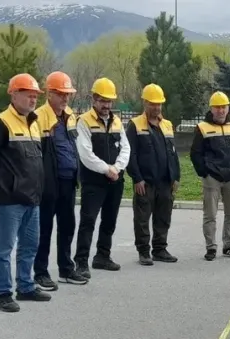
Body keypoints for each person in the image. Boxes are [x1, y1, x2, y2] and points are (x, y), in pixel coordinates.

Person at [0, 73, 51, 313]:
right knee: (4, 249)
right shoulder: (0, 124)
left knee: (30, 245)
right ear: (14, 94)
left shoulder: (33, 122)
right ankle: (3, 293)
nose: (33, 100)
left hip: (32, 198)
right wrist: (9, 182)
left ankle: (26, 286)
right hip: (10, 199)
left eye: (35, 96)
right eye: (28, 95)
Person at [32, 71, 87, 291]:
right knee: (44, 228)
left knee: (67, 226)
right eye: (61, 94)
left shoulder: (70, 115)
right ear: (50, 93)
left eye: (68, 94)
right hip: (48, 183)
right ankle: (41, 272)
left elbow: (73, 147)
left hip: (68, 180)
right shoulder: (39, 117)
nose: (65, 98)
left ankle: (66, 269)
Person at [73, 78, 130, 277]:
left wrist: (118, 168)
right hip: (93, 181)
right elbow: (85, 154)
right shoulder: (84, 121)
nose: (106, 105)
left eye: (109, 101)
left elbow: (126, 148)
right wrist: (107, 169)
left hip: (115, 180)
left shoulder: (116, 122)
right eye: (102, 100)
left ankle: (102, 257)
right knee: (88, 221)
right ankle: (81, 262)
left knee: (109, 220)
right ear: (94, 99)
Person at [125, 83, 180, 266]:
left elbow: (173, 152)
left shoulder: (167, 125)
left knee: (163, 216)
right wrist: (137, 178)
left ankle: (160, 249)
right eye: (152, 104)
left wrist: (176, 177)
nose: (156, 107)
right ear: (144, 103)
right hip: (145, 182)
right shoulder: (135, 125)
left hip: (165, 181)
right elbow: (130, 154)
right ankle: (144, 251)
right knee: (142, 218)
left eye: (159, 104)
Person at [190, 91, 230, 261]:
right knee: (210, 215)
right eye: (217, 107)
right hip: (212, 178)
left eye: (223, 107)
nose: (221, 110)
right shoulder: (202, 128)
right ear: (212, 109)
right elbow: (196, 153)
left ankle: (228, 245)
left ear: (228, 108)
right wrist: (204, 173)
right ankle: (211, 247)